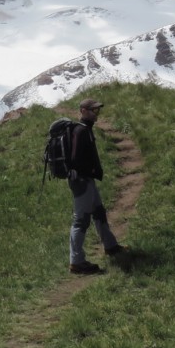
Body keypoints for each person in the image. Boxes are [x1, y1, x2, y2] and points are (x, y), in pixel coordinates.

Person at [67, 98, 125, 274]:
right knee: (81, 221)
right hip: (82, 181)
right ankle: (76, 262)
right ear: (84, 111)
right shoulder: (81, 131)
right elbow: (75, 159)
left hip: (86, 180)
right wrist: (90, 170)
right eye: (93, 110)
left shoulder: (86, 130)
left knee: (99, 212)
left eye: (97, 110)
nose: (96, 113)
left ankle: (111, 246)